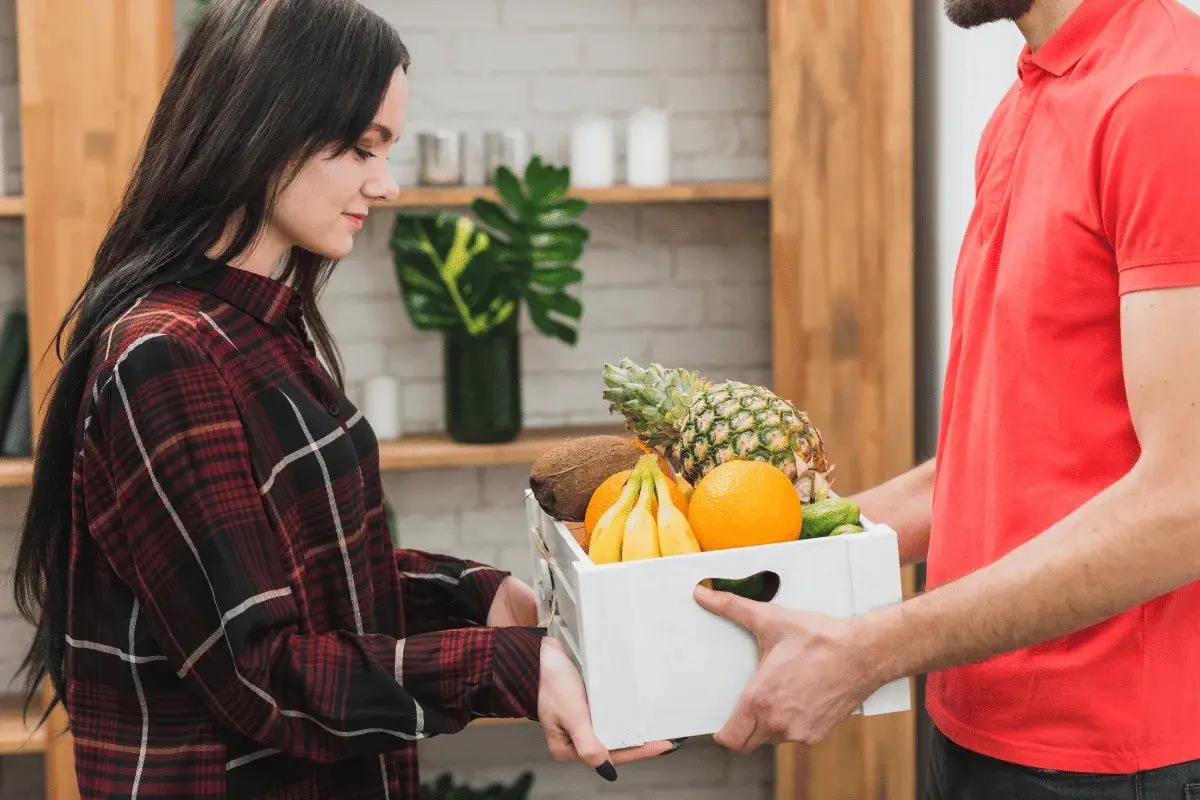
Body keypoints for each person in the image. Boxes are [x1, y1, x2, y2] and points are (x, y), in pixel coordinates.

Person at [9, 1, 669, 797]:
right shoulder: (167, 356)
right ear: (263, 125)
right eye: (362, 148)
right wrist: (504, 669)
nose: (384, 185)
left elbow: (308, 577)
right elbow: (260, 668)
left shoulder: (254, 327)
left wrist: (477, 596)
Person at [692, 0, 1200, 796]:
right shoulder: (1026, 101)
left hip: (1109, 759)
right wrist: (783, 547)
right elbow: (994, 459)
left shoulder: (1166, 99)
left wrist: (876, 647)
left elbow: (1188, 499)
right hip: (973, 718)